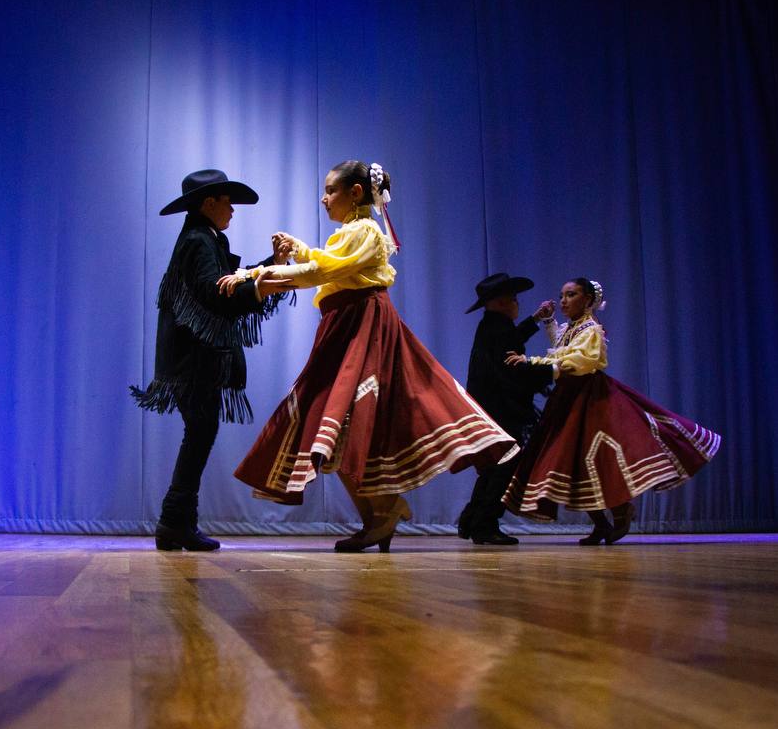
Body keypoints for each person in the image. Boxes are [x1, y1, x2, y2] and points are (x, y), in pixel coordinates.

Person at [227, 161, 519, 552]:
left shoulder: (366, 230)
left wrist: (253, 276)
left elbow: (322, 271)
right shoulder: (351, 233)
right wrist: (280, 264)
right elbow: (324, 269)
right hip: (342, 327)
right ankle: (377, 518)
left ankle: (383, 510)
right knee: (332, 429)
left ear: (356, 193)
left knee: (343, 421)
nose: (324, 197)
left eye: (331, 190)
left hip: (363, 326)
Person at [130, 170, 294, 551]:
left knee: (199, 435)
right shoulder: (198, 241)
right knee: (199, 435)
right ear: (209, 204)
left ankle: (177, 524)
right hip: (193, 362)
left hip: (191, 361)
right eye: (227, 201)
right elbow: (215, 293)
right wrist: (263, 283)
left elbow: (227, 282)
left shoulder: (203, 239)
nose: (232, 210)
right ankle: (174, 522)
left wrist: (270, 265)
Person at [503, 278, 721, 544]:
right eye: (561, 296)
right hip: (567, 398)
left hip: (590, 399)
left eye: (571, 295)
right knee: (572, 462)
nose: (563, 301)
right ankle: (601, 524)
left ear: (587, 300)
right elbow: (562, 348)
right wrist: (548, 324)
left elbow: (581, 361)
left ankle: (620, 511)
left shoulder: (591, 328)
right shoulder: (574, 327)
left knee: (594, 458)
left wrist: (531, 361)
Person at [455, 273, 555, 545]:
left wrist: (534, 320)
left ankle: (473, 520)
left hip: (490, 405)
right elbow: (511, 369)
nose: (516, 304)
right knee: (504, 465)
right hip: (501, 408)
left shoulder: (493, 325)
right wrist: (553, 370)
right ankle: (484, 523)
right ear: (500, 302)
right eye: (513, 299)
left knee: (493, 465)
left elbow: (511, 341)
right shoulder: (498, 328)